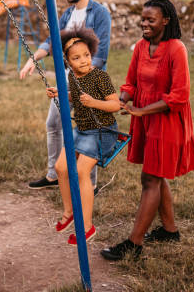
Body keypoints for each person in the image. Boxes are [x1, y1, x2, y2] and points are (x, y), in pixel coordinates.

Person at [101, 0, 194, 260]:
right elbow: (131, 82)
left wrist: (141, 111)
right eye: (142, 19)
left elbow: (179, 96)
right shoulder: (141, 47)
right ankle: (169, 230)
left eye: (150, 20)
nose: (143, 23)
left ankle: (134, 243)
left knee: (150, 178)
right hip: (145, 120)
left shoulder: (176, 49)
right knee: (157, 173)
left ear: (165, 20)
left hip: (167, 121)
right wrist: (120, 101)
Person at [20, 0, 111, 194]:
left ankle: (91, 183)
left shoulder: (99, 13)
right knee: (54, 124)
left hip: (88, 81)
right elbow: (52, 41)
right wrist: (34, 59)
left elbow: (100, 55)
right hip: (66, 80)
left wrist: (82, 80)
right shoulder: (67, 15)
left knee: (87, 128)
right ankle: (53, 174)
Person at [47, 28, 120, 245]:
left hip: (102, 132)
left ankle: (87, 227)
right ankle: (69, 212)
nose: (83, 61)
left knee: (80, 171)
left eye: (86, 55)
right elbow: (77, 96)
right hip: (81, 130)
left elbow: (115, 104)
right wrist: (61, 93)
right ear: (67, 61)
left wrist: (94, 103)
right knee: (60, 168)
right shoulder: (71, 76)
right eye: (76, 58)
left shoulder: (100, 76)